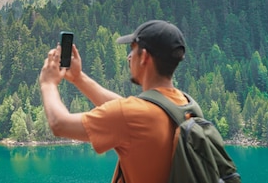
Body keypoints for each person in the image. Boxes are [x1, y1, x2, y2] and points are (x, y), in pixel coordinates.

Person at [39, 20, 188, 183]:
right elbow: (125, 109)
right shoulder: (183, 105)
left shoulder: (132, 116)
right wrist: (78, 78)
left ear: (144, 57)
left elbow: (60, 124)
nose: (128, 56)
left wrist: (48, 84)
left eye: (132, 49)